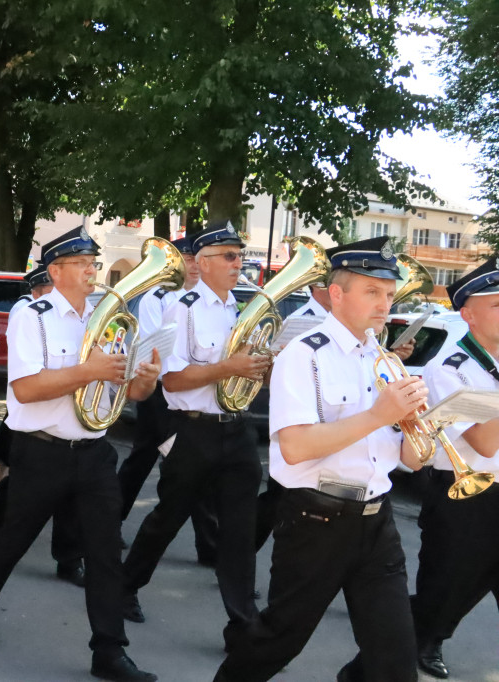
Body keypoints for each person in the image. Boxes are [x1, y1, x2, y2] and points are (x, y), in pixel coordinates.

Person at [214, 236, 426, 682]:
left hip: (377, 521)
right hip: (316, 521)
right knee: (278, 638)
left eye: (389, 294)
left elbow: (404, 455)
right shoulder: (304, 355)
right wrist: (378, 415)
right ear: (337, 293)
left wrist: (418, 433)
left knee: (395, 657)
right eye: (372, 292)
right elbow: (295, 446)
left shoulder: (382, 358)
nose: (384, 304)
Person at [0, 227, 161, 682]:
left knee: (105, 553)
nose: (94, 271)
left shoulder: (109, 317)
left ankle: (108, 651)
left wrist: (145, 379)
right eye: (84, 264)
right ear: (56, 270)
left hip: (93, 451)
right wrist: (87, 369)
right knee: (13, 538)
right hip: (41, 450)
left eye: (94, 263)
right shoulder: (34, 315)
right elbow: (26, 389)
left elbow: (128, 391)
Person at [121, 222, 266, 654]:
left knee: (240, 530)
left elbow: (239, 370)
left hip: (236, 429)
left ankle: (242, 623)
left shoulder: (232, 310)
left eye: (239, 255)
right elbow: (176, 380)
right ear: (202, 263)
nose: (237, 263)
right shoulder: (181, 307)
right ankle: (125, 586)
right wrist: (230, 368)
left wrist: (261, 366)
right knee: (169, 516)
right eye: (228, 256)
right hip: (194, 430)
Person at [411, 257, 499, 680]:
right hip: (464, 492)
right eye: (498, 305)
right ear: (468, 314)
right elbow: (484, 440)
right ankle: (424, 638)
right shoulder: (451, 368)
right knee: (450, 576)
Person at [0, 264, 86, 587]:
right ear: (37, 290)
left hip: (70, 421)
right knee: (19, 486)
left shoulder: (77, 314)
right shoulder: (28, 312)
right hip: (29, 419)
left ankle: (69, 558)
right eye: (48, 289)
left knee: (72, 496)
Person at [115, 236, 219, 564]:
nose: (191, 265)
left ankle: (208, 545)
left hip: (192, 393)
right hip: (160, 391)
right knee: (144, 458)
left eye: (195, 258)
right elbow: (151, 346)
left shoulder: (208, 300)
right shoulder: (157, 297)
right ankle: (110, 521)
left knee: (195, 466)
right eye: (186, 258)